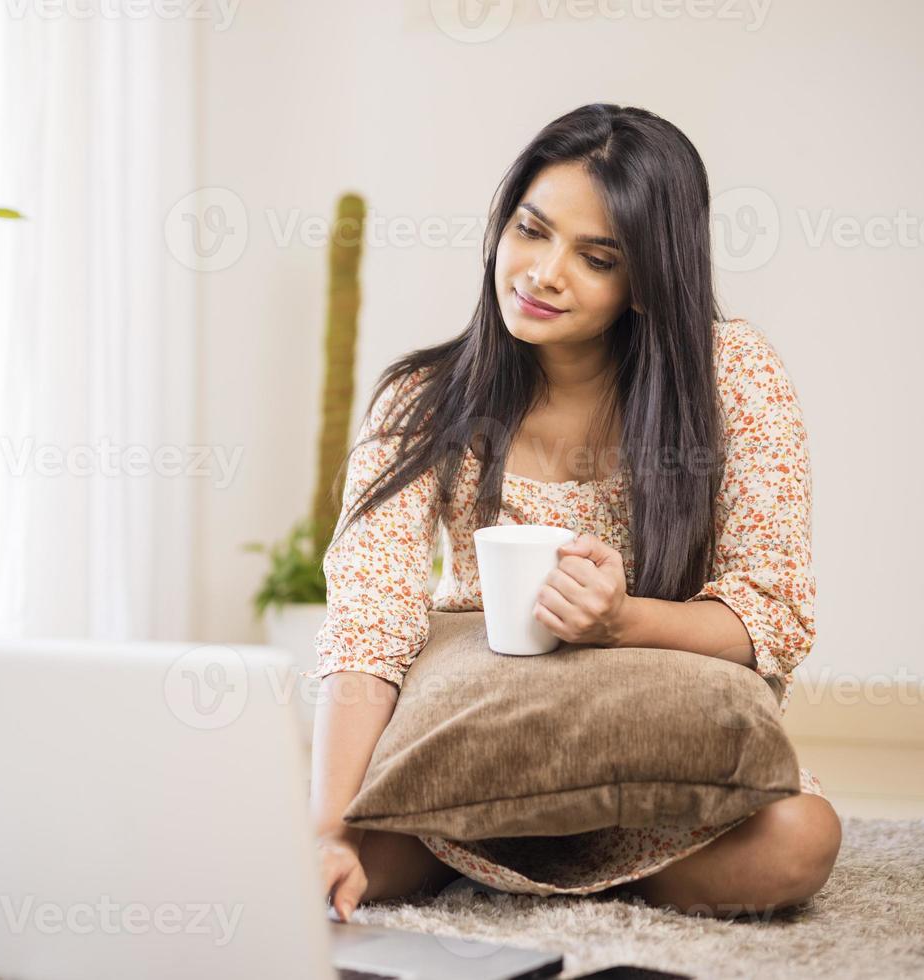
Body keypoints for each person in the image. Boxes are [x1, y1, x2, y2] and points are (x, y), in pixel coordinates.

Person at [306, 103, 841, 922]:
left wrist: (621, 621)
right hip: (474, 739)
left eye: (596, 258)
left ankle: (555, 864)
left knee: (799, 839)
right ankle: (495, 851)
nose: (544, 272)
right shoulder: (421, 400)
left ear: (648, 279)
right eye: (531, 229)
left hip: (650, 760)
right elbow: (367, 625)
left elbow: (771, 611)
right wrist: (328, 829)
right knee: (328, 853)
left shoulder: (732, 375)